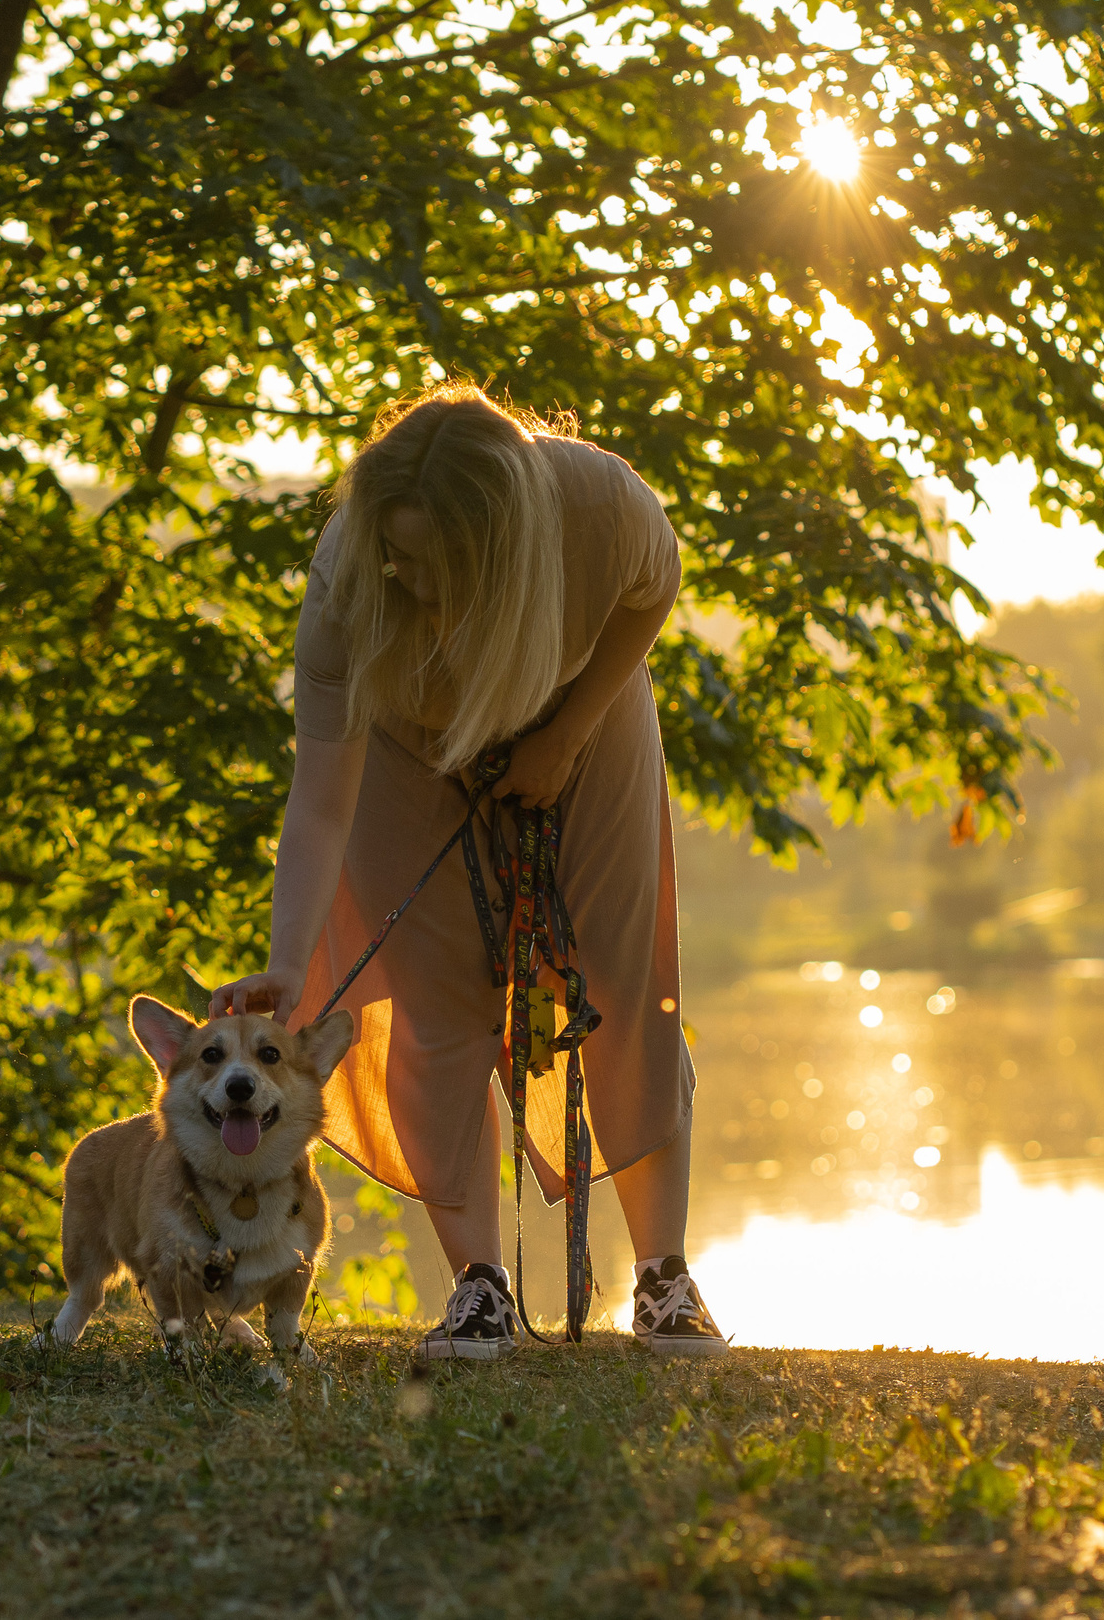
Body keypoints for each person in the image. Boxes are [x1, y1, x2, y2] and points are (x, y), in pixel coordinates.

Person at [209, 385, 726, 1358]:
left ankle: (664, 1278)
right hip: (411, 749)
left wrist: (568, 736)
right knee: (435, 1004)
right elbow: (320, 803)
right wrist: (285, 961)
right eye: (393, 555)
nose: (405, 579)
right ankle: (478, 1287)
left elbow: (651, 591)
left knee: (619, 987)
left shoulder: (604, 508)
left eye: (430, 562)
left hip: (585, 715)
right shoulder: (348, 589)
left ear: (503, 545)